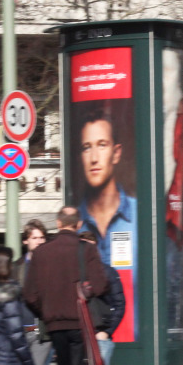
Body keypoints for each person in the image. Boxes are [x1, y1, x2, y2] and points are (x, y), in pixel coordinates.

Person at [23, 206, 107, 365]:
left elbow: (29, 294)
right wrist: (84, 294)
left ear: (58, 223)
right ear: (78, 225)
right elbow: (100, 285)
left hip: (54, 325)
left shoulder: (41, 253)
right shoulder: (86, 250)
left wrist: (47, 312)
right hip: (80, 322)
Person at [76, 107, 136, 269]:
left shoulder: (141, 217)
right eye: (87, 147)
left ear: (116, 153)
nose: (94, 158)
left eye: (102, 145)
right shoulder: (74, 222)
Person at [17, 219, 55, 365]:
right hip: (19, 332)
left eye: (42, 238)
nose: (39, 242)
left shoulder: (51, 265)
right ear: (26, 241)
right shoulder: (18, 266)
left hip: (41, 333)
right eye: (34, 238)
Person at [82, 229, 126, 365]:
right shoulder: (74, 273)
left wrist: (107, 331)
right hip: (80, 336)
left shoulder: (107, 272)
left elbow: (120, 303)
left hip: (100, 337)